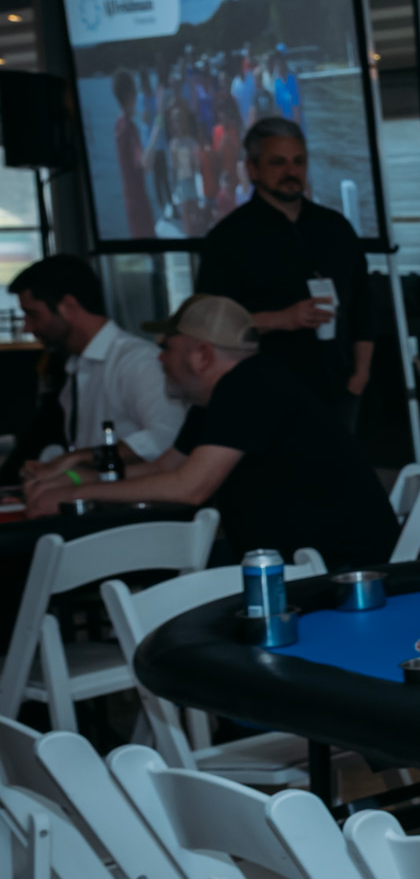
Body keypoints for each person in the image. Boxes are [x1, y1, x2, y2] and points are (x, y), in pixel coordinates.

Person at [26, 294, 398, 568]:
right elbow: (165, 467)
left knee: (170, 581)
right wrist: (73, 480)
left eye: (166, 348)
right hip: (301, 559)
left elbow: (190, 487)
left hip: (339, 569)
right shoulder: (222, 395)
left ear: (201, 355)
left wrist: (76, 493)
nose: (158, 358)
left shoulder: (249, 386)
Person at [195, 117, 373, 417]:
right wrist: (281, 319)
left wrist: (361, 374)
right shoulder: (228, 238)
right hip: (263, 394)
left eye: (298, 161)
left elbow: (364, 305)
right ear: (253, 169)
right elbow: (209, 323)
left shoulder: (335, 228)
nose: (291, 172)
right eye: (278, 162)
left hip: (339, 390)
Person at [10, 254, 183, 495]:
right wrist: (53, 466)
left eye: (33, 314)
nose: (27, 328)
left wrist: (77, 459)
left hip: (139, 515)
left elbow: (167, 437)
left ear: (68, 306)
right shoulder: (76, 365)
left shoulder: (137, 360)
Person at [110, 67, 154, 238]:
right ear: (130, 96)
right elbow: (145, 164)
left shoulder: (118, 125)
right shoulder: (130, 128)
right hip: (140, 204)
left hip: (130, 204)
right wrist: (158, 125)